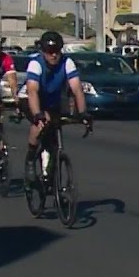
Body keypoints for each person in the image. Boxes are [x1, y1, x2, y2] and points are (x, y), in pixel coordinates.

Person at [23, 31, 91, 182]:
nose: (54, 55)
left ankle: (53, 182)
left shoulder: (67, 63)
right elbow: (32, 91)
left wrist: (83, 113)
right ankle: (30, 158)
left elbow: (77, 89)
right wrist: (37, 114)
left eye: (57, 52)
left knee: (54, 136)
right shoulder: (36, 64)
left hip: (52, 102)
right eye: (49, 52)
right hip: (32, 100)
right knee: (41, 122)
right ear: (43, 52)